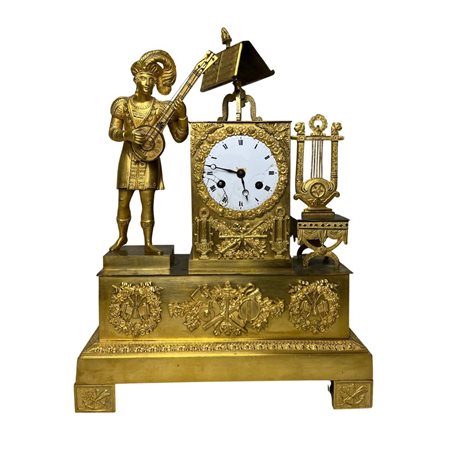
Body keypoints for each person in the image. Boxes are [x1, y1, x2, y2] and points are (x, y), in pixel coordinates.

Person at [108, 50, 188, 255]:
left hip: (150, 159)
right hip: (128, 157)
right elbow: (112, 131)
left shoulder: (161, 108)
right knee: (123, 200)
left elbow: (180, 136)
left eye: (151, 80)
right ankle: (122, 236)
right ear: (136, 79)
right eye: (144, 78)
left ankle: (148, 242)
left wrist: (182, 116)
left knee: (148, 202)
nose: (147, 83)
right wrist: (127, 135)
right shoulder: (122, 104)